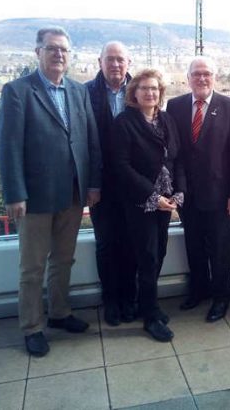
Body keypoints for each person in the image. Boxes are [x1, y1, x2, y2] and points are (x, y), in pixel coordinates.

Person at [0, 26, 102, 357]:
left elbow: (90, 140)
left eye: (64, 50)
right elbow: (8, 146)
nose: (59, 54)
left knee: (63, 259)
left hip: (73, 193)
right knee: (32, 266)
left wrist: (93, 184)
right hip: (35, 198)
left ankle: (59, 313)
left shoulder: (77, 91)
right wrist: (15, 193)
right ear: (37, 52)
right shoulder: (17, 92)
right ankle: (31, 326)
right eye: (52, 49)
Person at [166, 57, 230, 322]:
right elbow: (174, 153)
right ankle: (198, 291)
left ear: (215, 78)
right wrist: (175, 191)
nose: (202, 79)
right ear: (188, 77)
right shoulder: (175, 105)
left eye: (207, 74)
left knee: (220, 249)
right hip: (187, 194)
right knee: (194, 246)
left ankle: (221, 297)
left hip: (220, 195)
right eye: (196, 74)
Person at [110, 69, 185, 342]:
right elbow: (122, 166)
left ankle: (146, 304)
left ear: (160, 93)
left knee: (160, 252)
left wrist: (179, 192)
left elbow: (176, 160)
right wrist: (153, 195)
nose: (150, 93)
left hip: (166, 201)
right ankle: (151, 316)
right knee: (147, 256)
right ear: (134, 93)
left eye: (154, 88)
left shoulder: (166, 120)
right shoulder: (124, 122)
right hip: (140, 202)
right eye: (144, 88)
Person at [86, 41, 138, 325]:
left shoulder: (141, 90)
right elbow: (84, 143)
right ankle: (111, 301)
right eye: (110, 59)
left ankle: (130, 298)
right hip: (101, 186)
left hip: (134, 185)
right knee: (106, 245)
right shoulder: (85, 93)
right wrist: (90, 184)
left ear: (128, 62)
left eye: (120, 59)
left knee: (131, 243)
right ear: (99, 61)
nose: (115, 65)